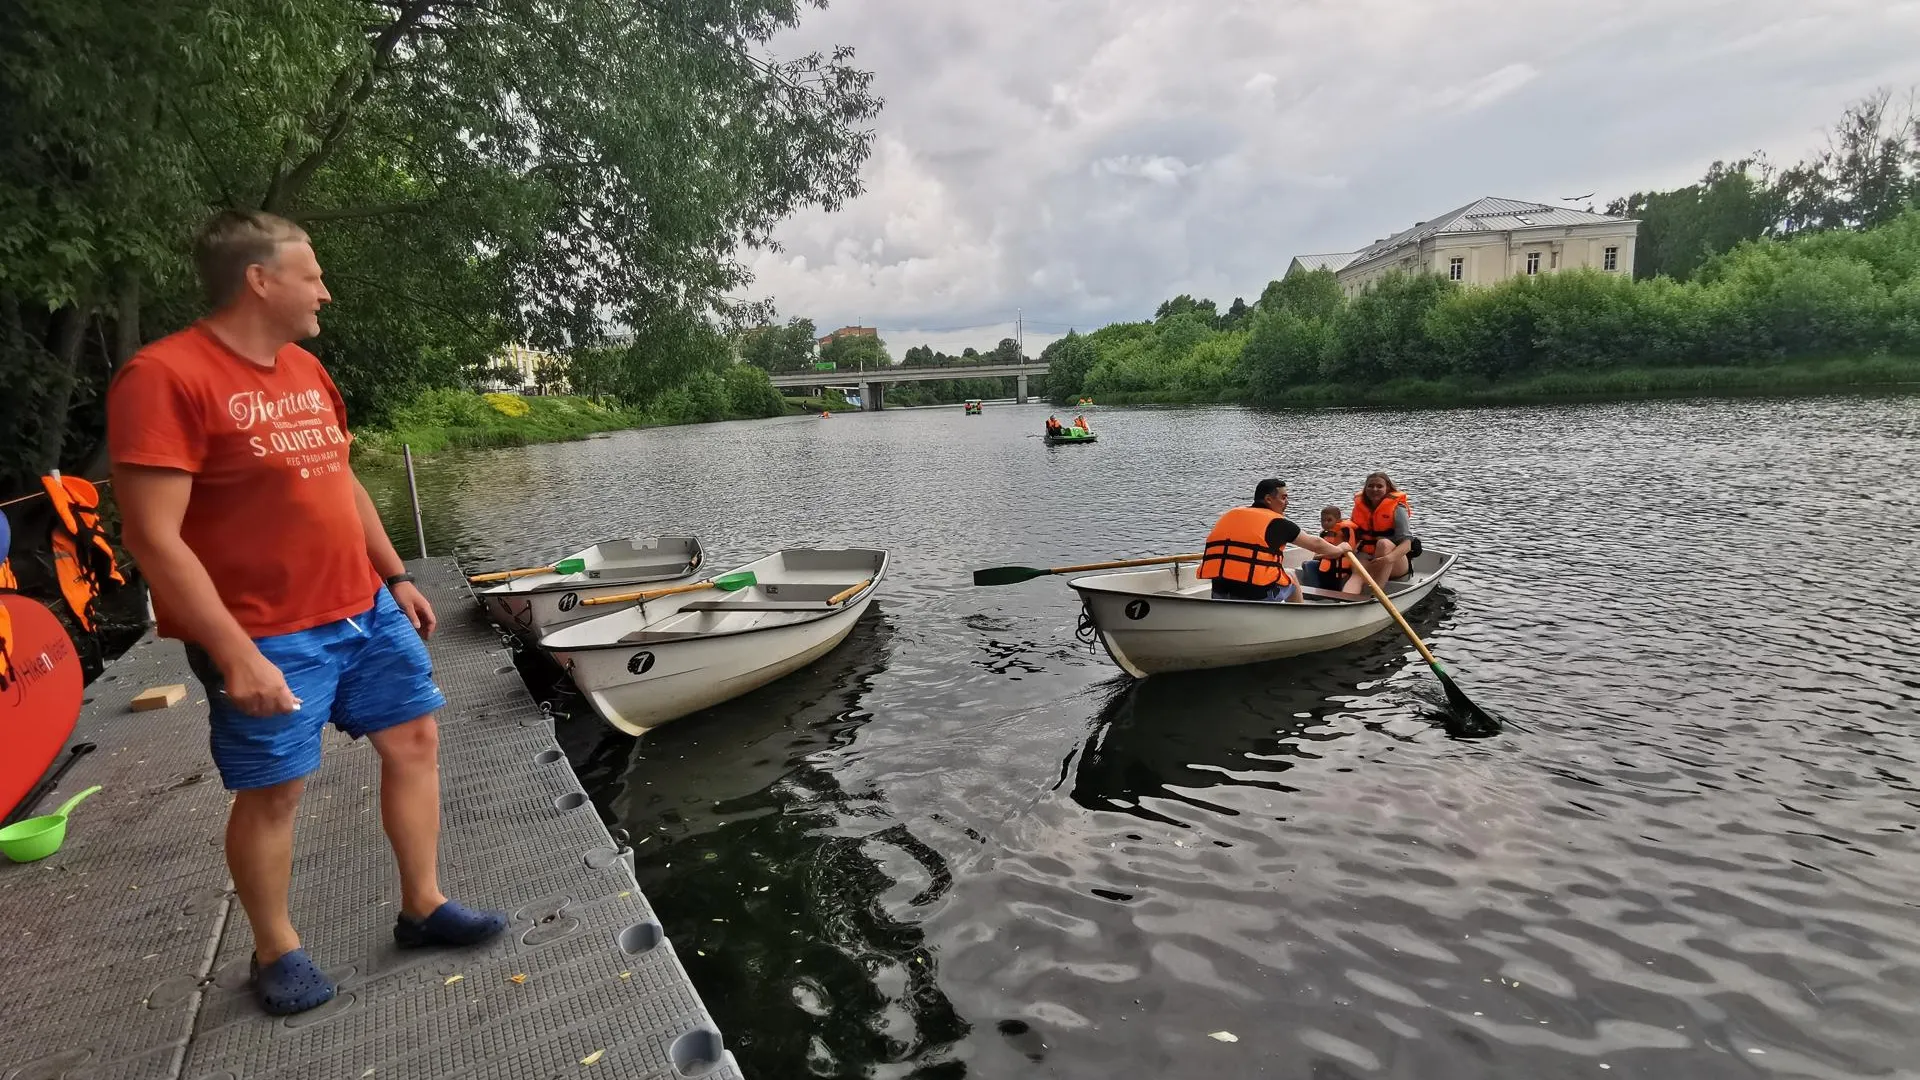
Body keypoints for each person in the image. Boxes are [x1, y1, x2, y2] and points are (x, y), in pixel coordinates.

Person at [107, 210, 506, 1017]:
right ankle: (275, 950)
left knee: (417, 738)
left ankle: (423, 906)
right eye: (312, 273)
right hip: (262, 629)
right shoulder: (165, 377)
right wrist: (233, 651)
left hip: (361, 607)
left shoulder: (304, 368)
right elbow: (153, 537)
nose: (325, 288)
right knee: (277, 790)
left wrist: (394, 575)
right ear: (260, 280)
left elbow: (340, 478)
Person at [1198, 478, 1351, 603]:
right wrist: (1340, 549)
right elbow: (1316, 544)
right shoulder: (1278, 523)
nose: (1287, 503)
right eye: (1283, 498)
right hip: (1257, 596)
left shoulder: (1229, 515)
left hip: (1219, 592)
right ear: (1268, 499)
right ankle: (1300, 622)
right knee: (1290, 576)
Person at [1352, 471, 1415, 582]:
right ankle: (1349, 597)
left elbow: (1407, 545)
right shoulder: (1360, 507)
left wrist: (1387, 559)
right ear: (1365, 489)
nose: (1374, 489)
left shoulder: (1398, 508)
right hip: (1368, 557)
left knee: (1383, 543)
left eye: (1379, 486)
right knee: (1357, 575)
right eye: (1370, 486)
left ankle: (1375, 596)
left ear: (1388, 489)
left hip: (1395, 562)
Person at [1304, 505, 1361, 593]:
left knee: (1309, 564)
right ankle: (1314, 591)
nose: (1325, 523)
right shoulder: (1325, 534)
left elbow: (1346, 550)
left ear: (1338, 520)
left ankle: (1316, 593)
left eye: (1329, 520)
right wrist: (1318, 556)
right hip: (1327, 566)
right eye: (1322, 520)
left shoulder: (1345, 531)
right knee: (1306, 564)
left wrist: (1319, 557)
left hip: (1339, 569)